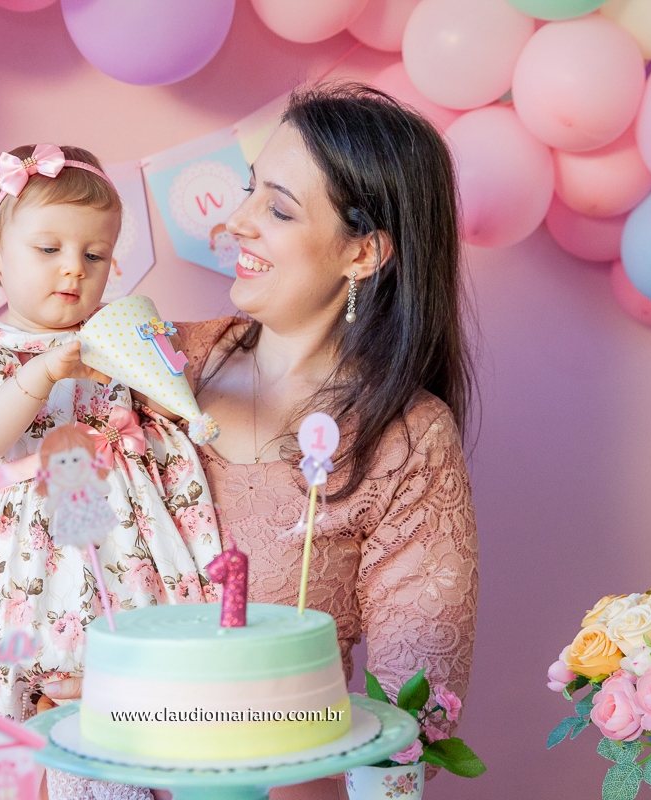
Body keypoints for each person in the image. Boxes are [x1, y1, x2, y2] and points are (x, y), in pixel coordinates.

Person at [179, 83, 479, 798]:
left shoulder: (406, 439)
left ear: (364, 253)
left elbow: (416, 700)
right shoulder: (158, 364)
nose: (236, 222)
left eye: (278, 209)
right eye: (250, 191)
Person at [0, 145, 221, 755]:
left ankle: (129, 750)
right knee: (56, 680)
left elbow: (166, 404)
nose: (74, 270)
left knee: (137, 671)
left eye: (94, 255)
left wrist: (161, 379)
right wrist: (42, 373)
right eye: (48, 249)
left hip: (128, 528)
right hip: (41, 534)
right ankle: (67, 749)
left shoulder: (115, 334)